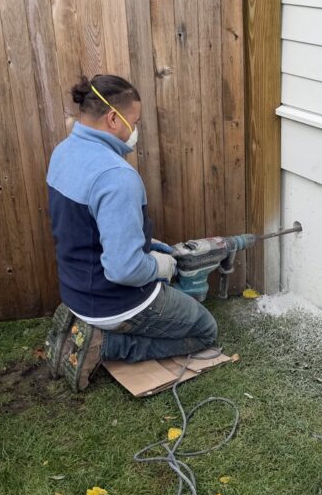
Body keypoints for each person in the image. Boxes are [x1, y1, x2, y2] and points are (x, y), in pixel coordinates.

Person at [44, 74, 218, 390]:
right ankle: (105, 344)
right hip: (116, 301)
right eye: (134, 122)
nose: (135, 131)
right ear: (113, 118)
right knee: (205, 330)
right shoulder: (115, 176)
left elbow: (87, 227)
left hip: (76, 292)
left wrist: (145, 242)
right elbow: (124, 270)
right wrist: (160, 267)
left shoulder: (63, 153)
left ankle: (86, 328)